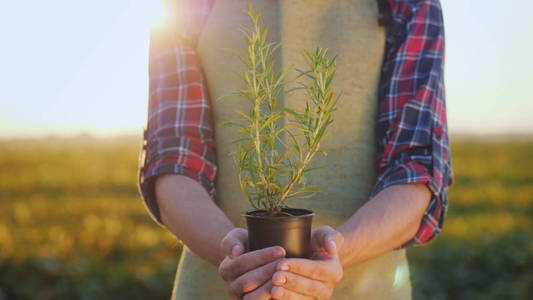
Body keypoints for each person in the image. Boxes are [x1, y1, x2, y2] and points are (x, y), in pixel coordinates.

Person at [138, 0, 452, 299]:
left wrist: (331, 253)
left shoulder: (408, 4)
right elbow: (174, 161)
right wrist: (232, 254)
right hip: (216, 283)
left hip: (366, 286)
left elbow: (415, 167)